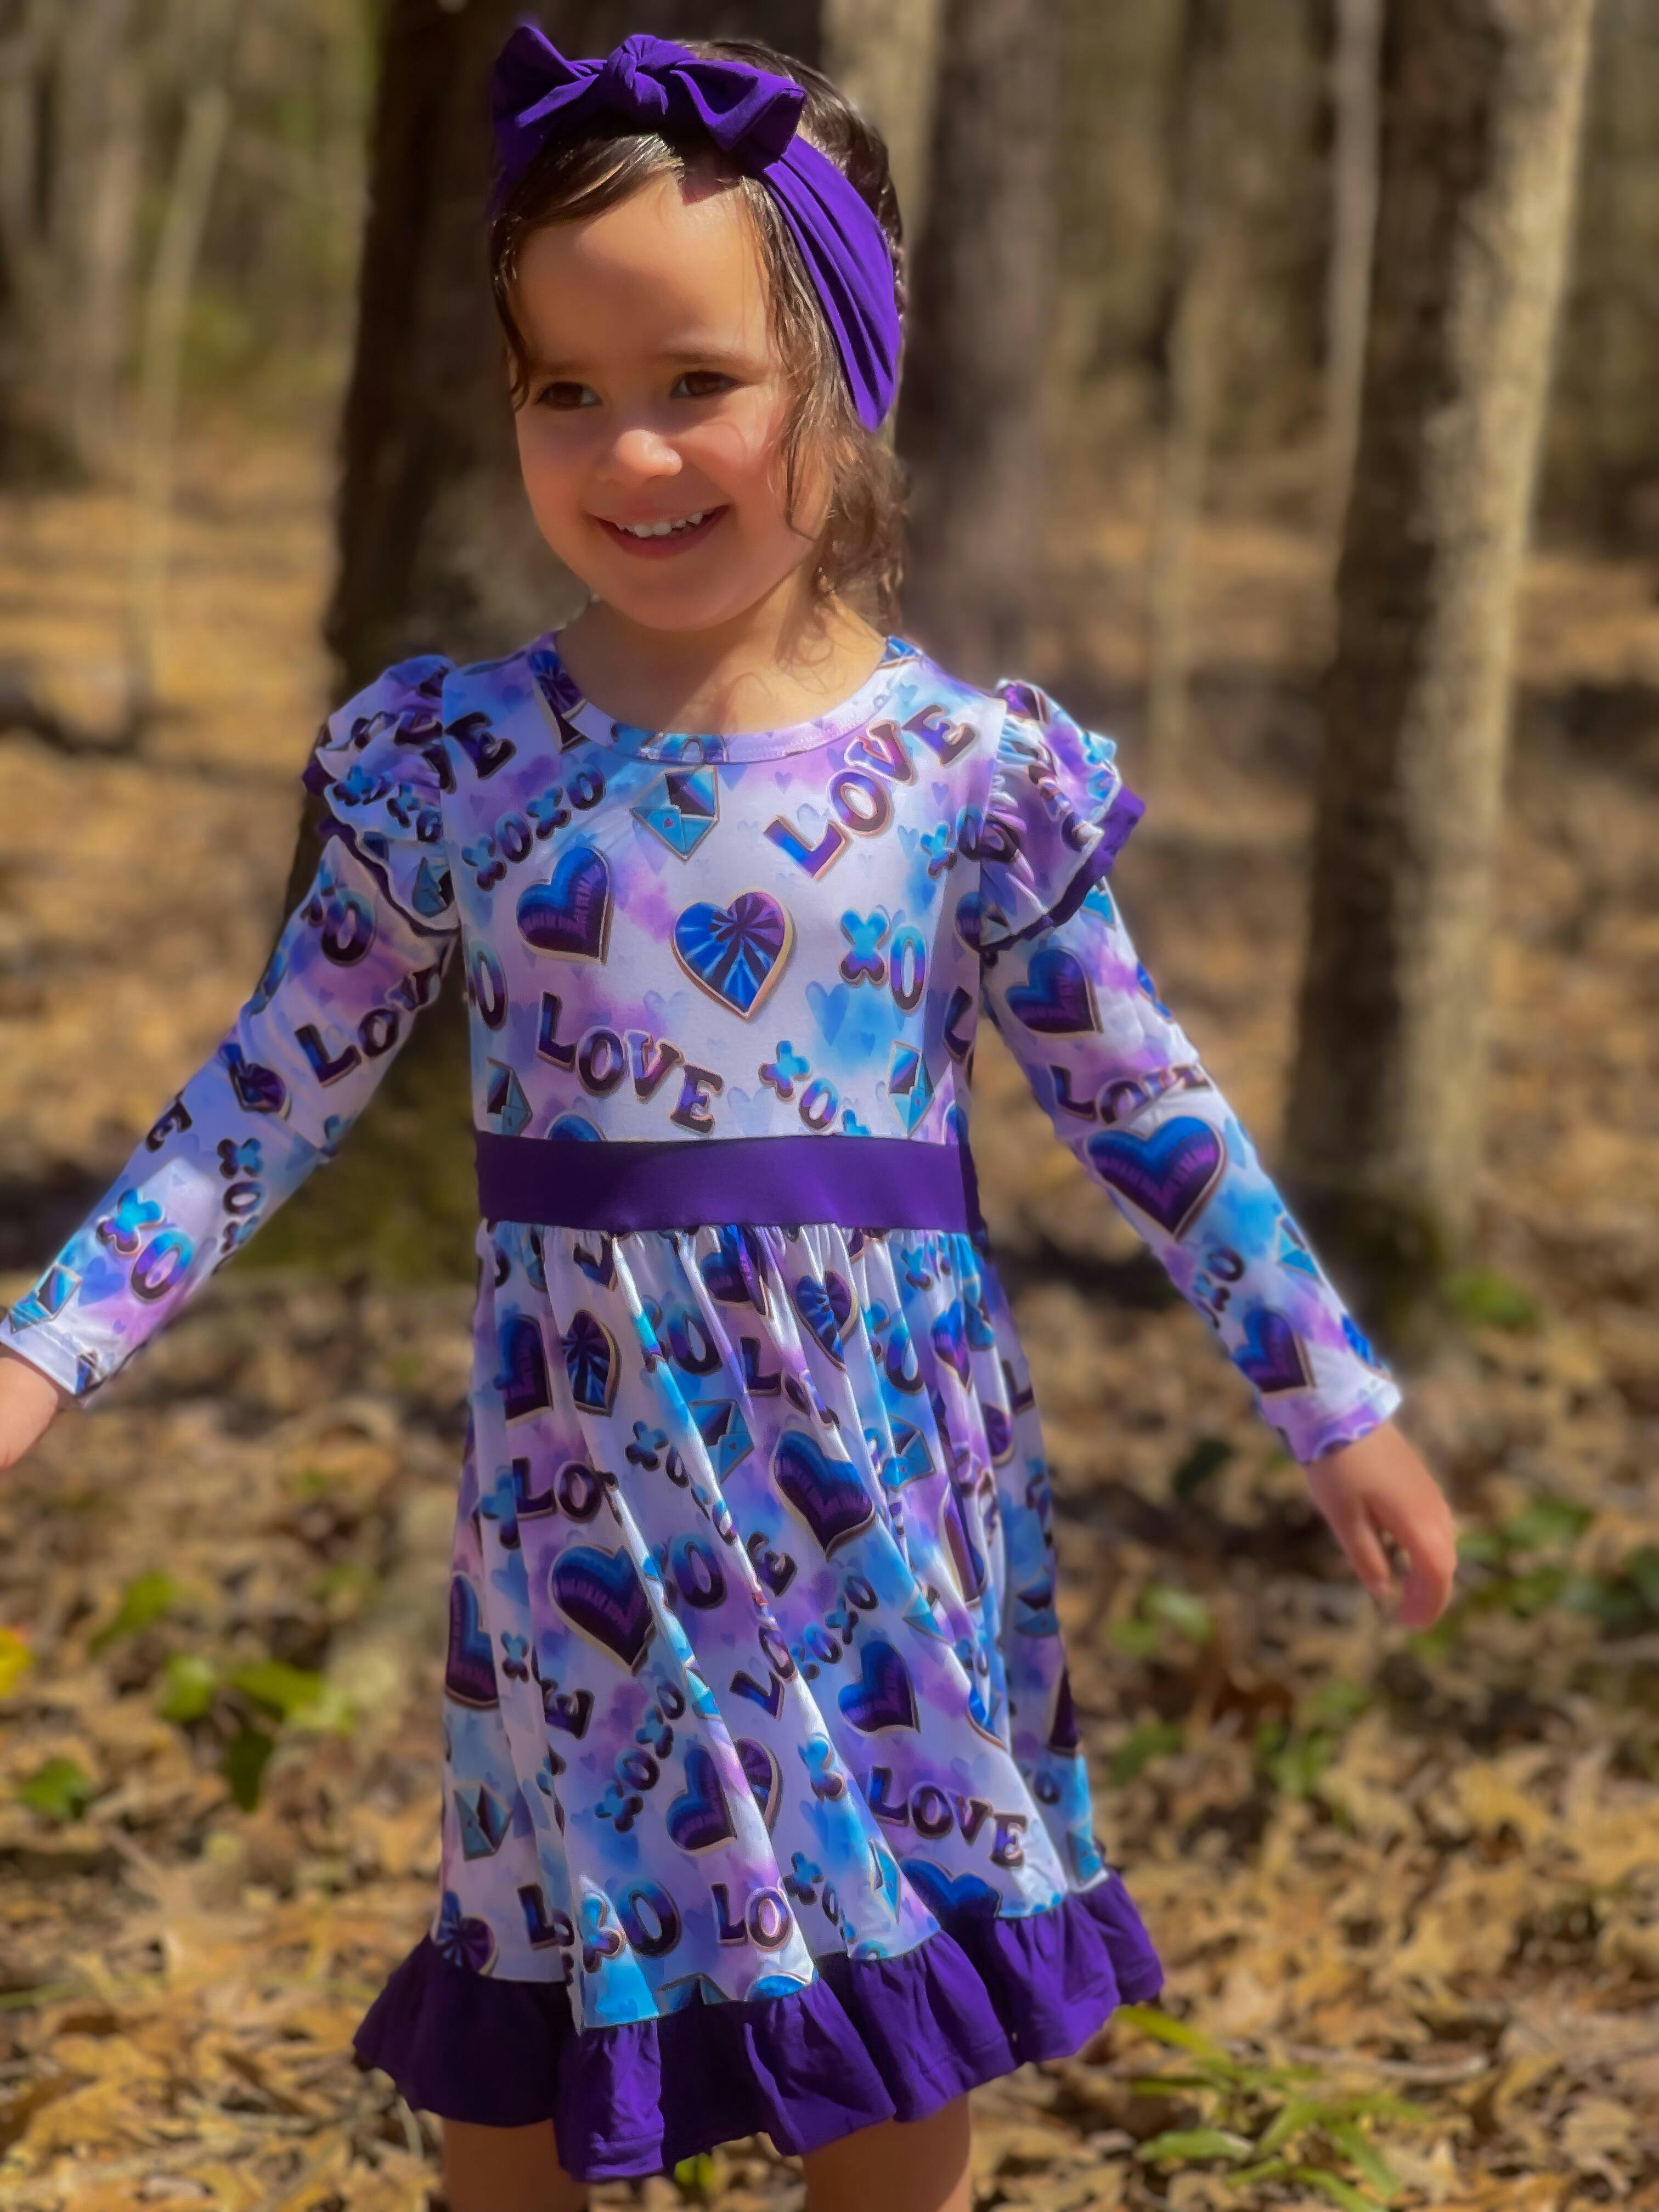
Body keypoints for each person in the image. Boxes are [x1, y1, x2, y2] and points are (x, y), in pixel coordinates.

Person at [0, 26, 1459, 2212]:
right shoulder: (462, 762)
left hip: (881, 1498)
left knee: (885, 1994)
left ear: (843, 380)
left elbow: (1146, 1108)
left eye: (700, 381)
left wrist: (1332, 1400)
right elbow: (266, 1093)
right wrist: (46, 1348)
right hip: (580, 1500)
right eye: (564, 391)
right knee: (534, 1993)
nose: (632, 450)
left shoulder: (965, 777)